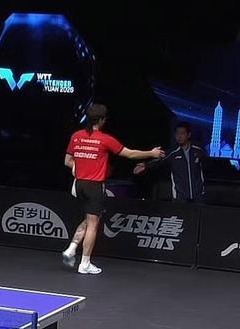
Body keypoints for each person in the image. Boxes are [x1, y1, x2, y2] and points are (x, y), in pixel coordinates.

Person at [62, 103, 164, 274]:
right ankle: (84, 264)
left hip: (79, 184)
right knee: (93, 224)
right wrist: (151, 153)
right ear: (101, 120)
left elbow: (67, 161)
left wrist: (80, 168)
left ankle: (72, 249)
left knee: (90, 219)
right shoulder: (104, 139)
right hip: (94, 186)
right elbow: (130, 154)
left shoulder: (76, 136)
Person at [135, 121, 207, 202]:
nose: (179, 136)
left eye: (182, 133)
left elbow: (207, 165)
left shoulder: (198, 150)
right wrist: (145, 165)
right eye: (177, 133)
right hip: (180, 198)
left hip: (198, 197)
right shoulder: (173, 152)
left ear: (188, 135)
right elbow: (159, 161)